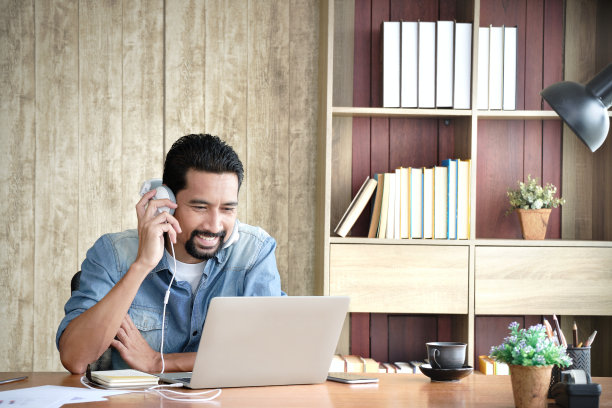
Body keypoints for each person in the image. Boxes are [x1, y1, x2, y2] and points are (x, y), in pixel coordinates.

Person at [57, 134, 284, 374]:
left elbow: (269, 353)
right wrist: (142, 265)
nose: (214, 225)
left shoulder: (254, 253)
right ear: (166, 202)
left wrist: (159, 362)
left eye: (227, 209)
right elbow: (74, 358)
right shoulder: (113, 254)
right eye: (200, 207)